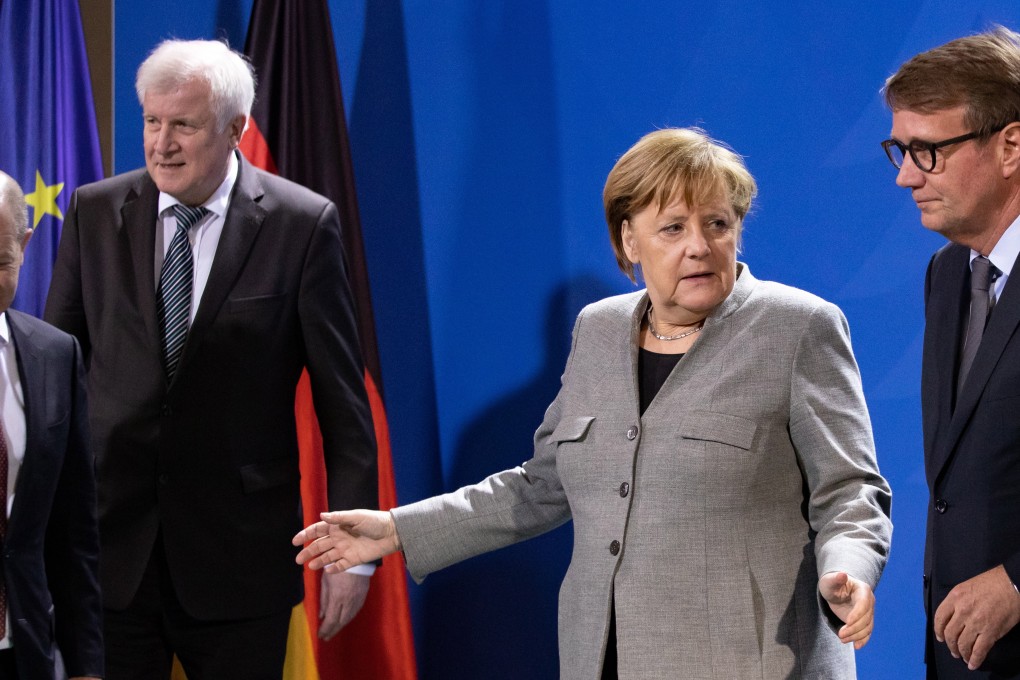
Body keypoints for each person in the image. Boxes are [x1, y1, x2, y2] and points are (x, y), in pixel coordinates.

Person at [295, 128, 893, 679]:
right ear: (628, 239)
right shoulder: (600, 330)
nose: (699, 247)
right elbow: (544, 485)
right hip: (603, 657)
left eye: (717, 223)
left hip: (754, 660)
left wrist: (850, 572)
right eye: (673, 228)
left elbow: (850, 489)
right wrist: (398, 529)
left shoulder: (798, 327)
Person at [44, 39, 378, 679]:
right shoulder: (94, 212)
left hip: (239, 561)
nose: (161, 143)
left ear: (235, 129)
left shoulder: (301, 225)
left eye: (184, 125)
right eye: (151, 121)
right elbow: (56, 377)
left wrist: (352, 554)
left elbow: (344, 406)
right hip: (112, 553)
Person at [881, 26, 1020, 679]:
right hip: (966, 653)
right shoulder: (947, 275)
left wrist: (1019, 581)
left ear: (1010, 145)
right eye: (900, 151)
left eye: (927, 151)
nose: (907, 176)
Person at [0, 172, 102, 679]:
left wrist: (85, 666)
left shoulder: (56, 356)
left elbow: (73, 531)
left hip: (24, 654)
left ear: (24, 245)